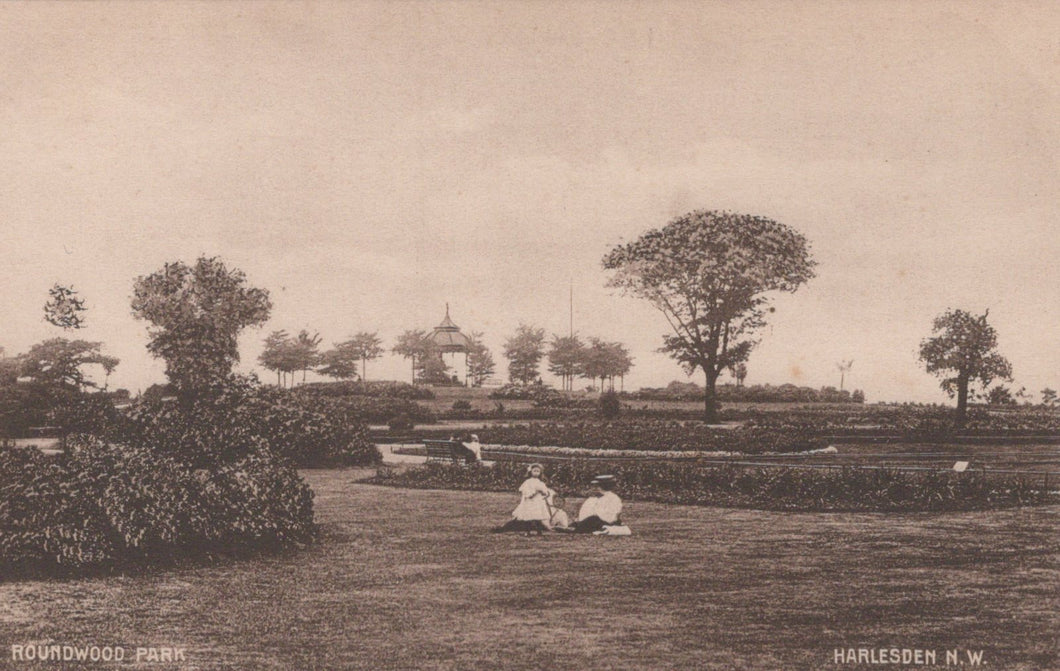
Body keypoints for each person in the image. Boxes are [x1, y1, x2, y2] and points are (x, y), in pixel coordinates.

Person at [491, 463, 552, 534]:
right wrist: (535, 492)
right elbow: (527, 493)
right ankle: (527, 532)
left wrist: (543, 492)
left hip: (537, 503)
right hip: (530, 502)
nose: (536, 473)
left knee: (538, 517)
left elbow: (546, 493)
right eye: (534, 471)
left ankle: (539, 531)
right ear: (530, 472)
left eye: (538, 471)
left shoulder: (540, 483)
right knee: (528, 517)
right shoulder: (528, 482)